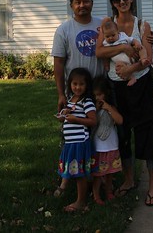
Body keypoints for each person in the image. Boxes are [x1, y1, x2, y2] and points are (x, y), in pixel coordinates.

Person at [96, 0, 153, 206]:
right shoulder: (108, 25)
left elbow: (147, 57)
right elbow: (99, 52)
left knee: (148, 131)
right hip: (116, 89)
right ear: (113, 3)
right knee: (123, 133)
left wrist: (130, 69)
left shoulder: (141, 25)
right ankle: (128, 180)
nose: (121, 2)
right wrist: (124, 50)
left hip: (141, 86)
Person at [52, 0, 104, 197]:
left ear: (92, 2)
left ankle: (96, 177)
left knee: (99, 135)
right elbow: (58, 64)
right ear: (72, 5)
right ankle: (66, 179)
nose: (82, 5)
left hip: (99, 91)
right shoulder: (64, 30)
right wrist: (62, 94)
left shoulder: (102, 25)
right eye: (77, 2)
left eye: (86, 1)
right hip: (76, 92)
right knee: (71, 137)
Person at [56, 68, 97, 212]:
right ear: (70, 84)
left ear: (87, 86)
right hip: (70, 143)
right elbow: (67, 116)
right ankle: (79, 197)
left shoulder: (87, 102)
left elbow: (93, 121)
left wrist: (76, 120)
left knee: (80, 174)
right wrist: (63, 115)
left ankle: (81, 201)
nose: (78, 87)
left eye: (81, 84)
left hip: (80, 142)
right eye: (75, 84)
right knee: (75, 171)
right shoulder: (71, 100)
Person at [91, 76, 123, 205]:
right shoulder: (93, 110)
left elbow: (120, 120)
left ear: (106, 93)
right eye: (95, 95)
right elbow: (91, 124)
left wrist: (109, 108)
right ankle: (96, 195)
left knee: (110, 173)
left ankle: (109, 191)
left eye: (99, 94)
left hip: (111, 145)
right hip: (99, 146)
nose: (97, 98)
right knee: (98, 174)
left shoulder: (111, 108)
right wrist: (96, 110)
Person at [101, 17, 150, 86]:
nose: (110, 38)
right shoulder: (105, 43)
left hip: (134, 58)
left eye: (113, 35)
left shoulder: (122, 37)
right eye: (107, 36)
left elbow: (132, 40)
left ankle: (143, 59)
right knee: (118, 68)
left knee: (142, 48)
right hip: (121, 62)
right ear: (104, 36)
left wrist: (137, 44)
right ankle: (131, 78)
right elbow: (104, 54)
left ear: (117, 32)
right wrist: (106, 65)